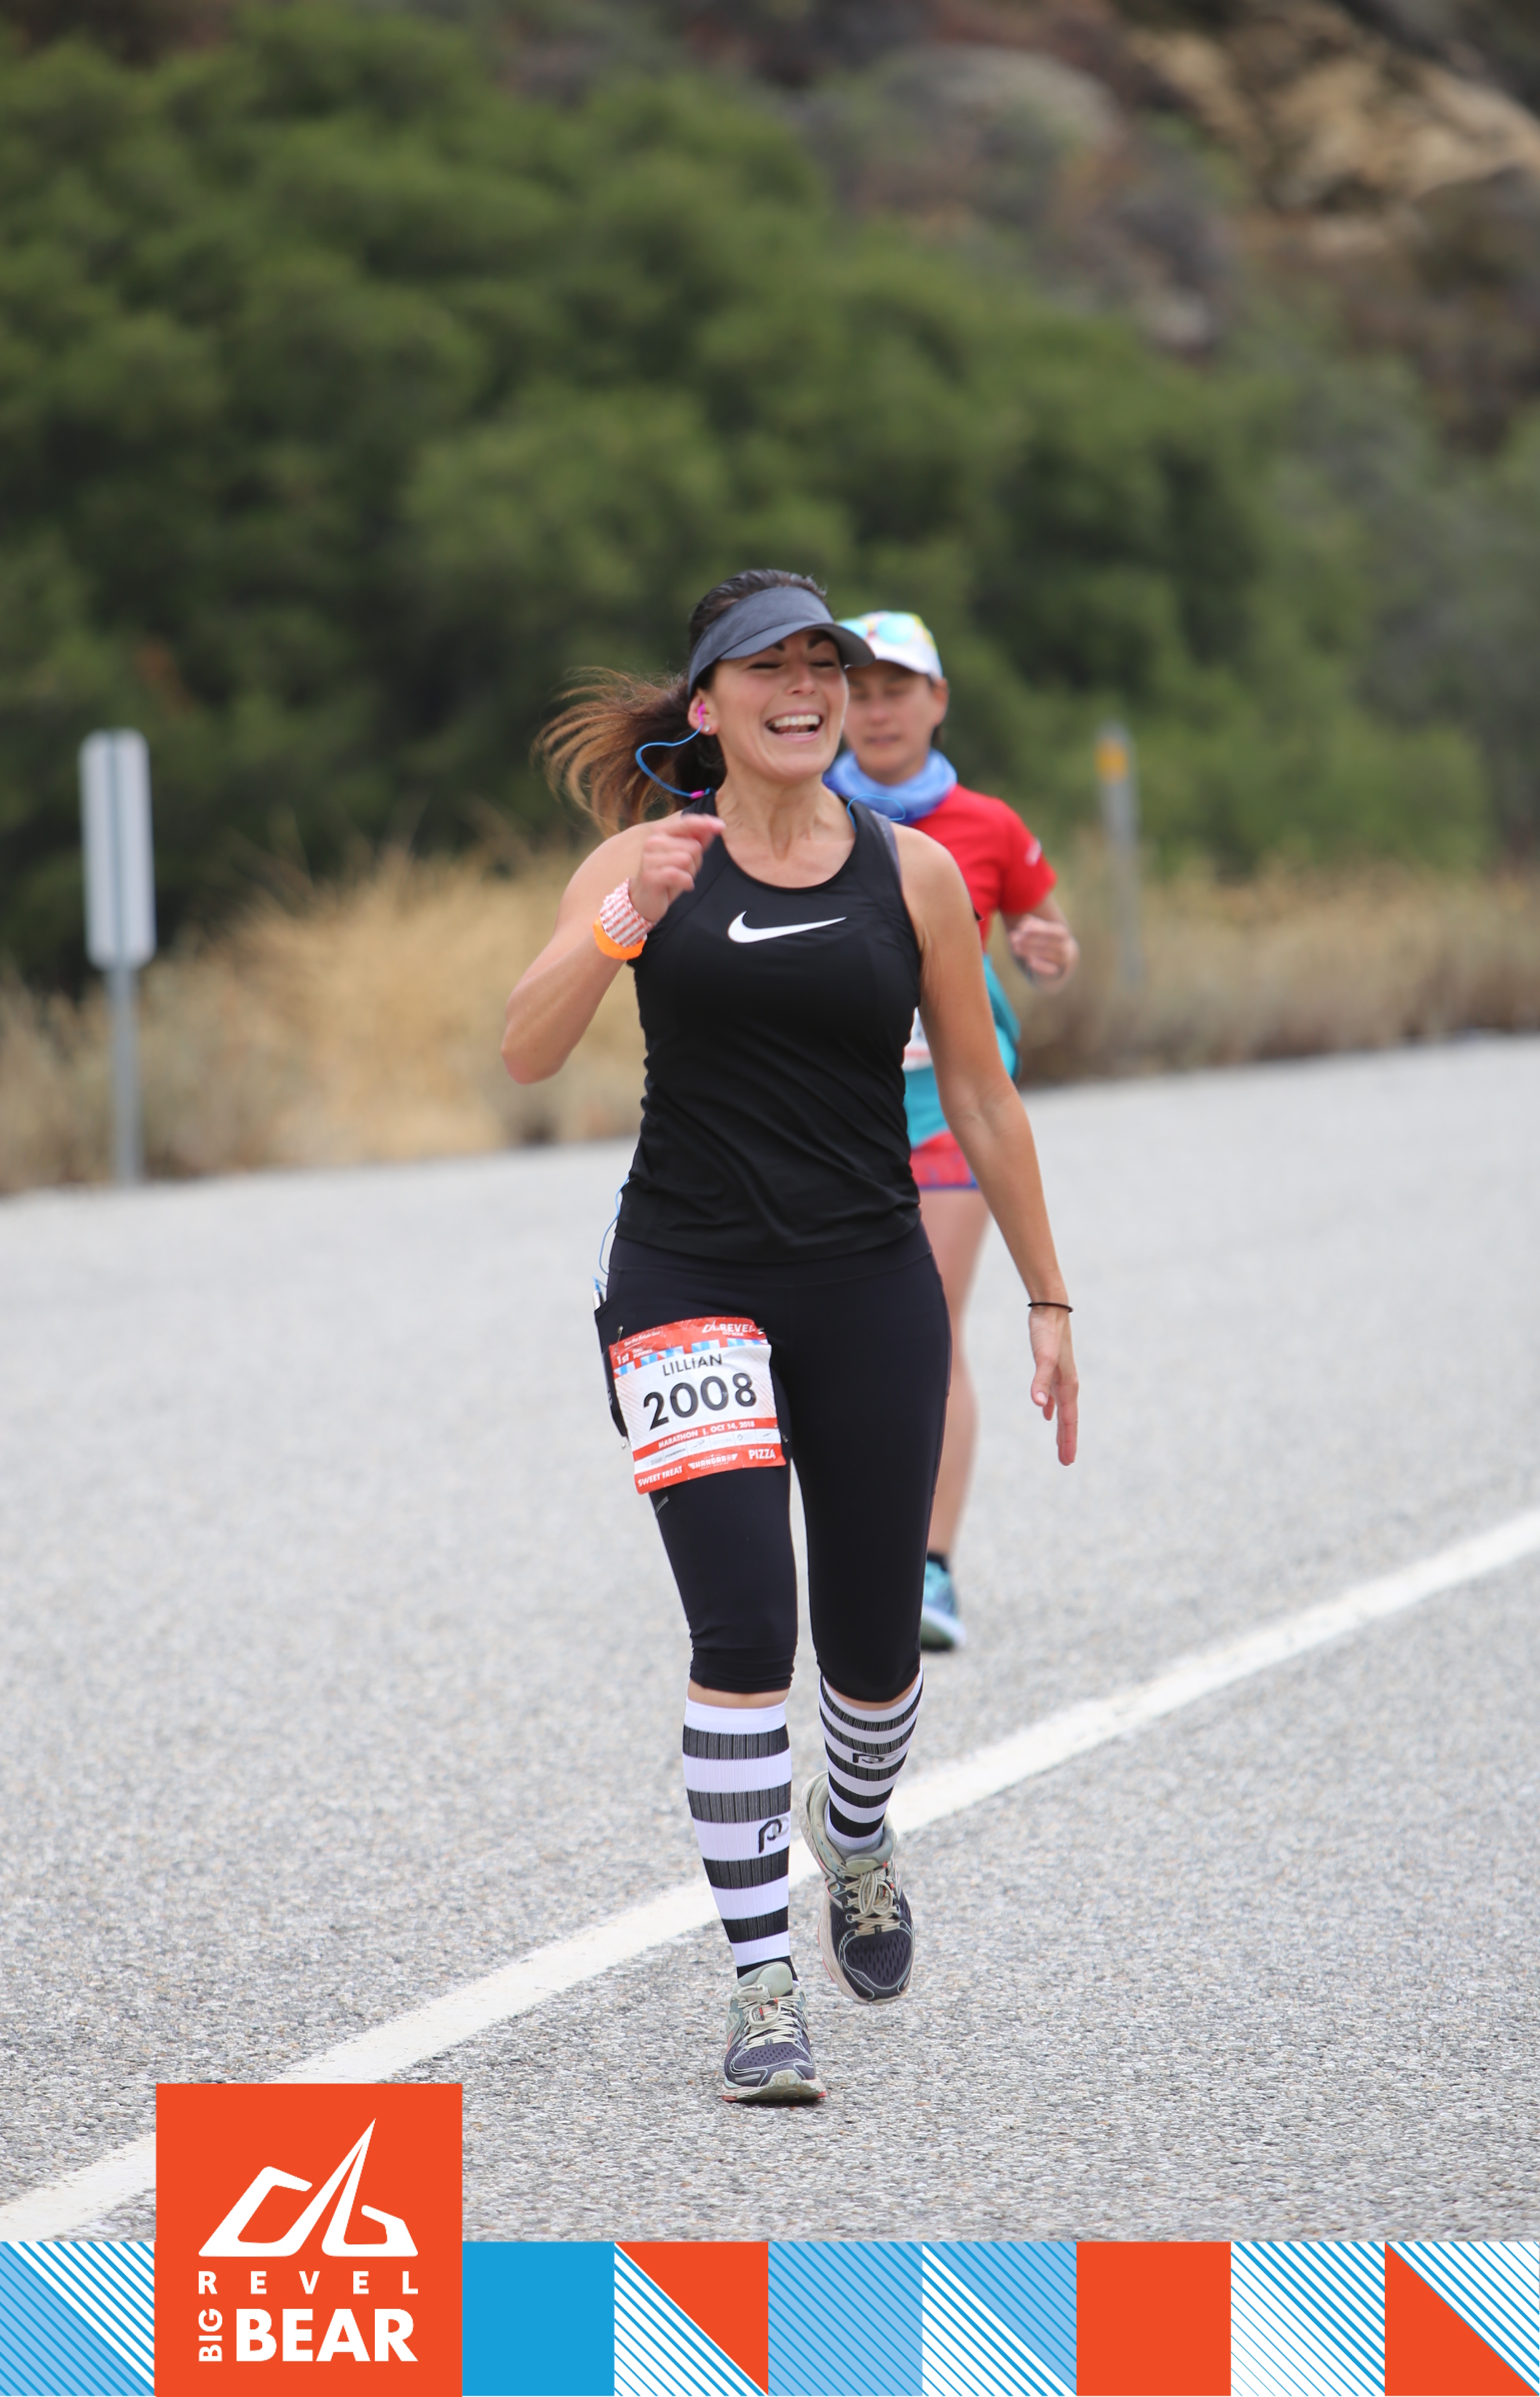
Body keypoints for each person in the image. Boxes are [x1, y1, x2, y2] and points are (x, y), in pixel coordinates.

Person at [503, 569, 1077, 2105]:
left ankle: (858, 1834)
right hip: (684, 1276)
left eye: (823, 662)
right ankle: (762, 1985)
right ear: (708, 704)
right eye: (768, 666)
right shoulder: (646, 859)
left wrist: (1047, 1296)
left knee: (874, 1651)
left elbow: (980, 1097)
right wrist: (627, 915)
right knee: (747, 1632)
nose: (806, 687)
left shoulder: (914, 875)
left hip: (868, 1282)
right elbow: (525, 1047)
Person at [828, 612, 1080, 1653]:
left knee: (924, 1325)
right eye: (861, 689)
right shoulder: (802, 811)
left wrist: (1047, 953)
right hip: (832, 1112)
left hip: (947, 1108)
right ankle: (847, 1543)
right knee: (826, 1337)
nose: (878, 709)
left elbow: (1042, 932)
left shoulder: (986, 824)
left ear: (938, 700)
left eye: (899, 689)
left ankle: (928, 1568)